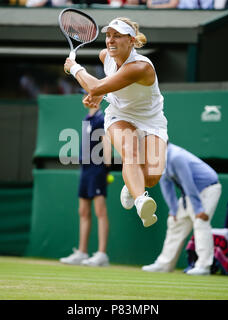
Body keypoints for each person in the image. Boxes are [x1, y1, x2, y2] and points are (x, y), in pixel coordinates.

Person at [64, 17, 168, 228]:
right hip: (119, 115)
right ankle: (141, 202)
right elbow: (104, 87)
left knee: (152, 177)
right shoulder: (105, 56)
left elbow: (96, 86)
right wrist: (100, 95)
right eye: (108, 36)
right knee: (130, 151)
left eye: (117, 36)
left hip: (152, 120)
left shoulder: (140, 67)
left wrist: (75, 68)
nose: (110, 41)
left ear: (131, 40)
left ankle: (132, 186)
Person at [142, 143, 222, 275]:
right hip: (190, 193)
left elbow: (188, 182)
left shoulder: (176, 157)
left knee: (200, 222)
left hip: (208, 189)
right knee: (175, 222)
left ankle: (204, 266)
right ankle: (165, 264)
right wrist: (173, 210)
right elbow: (166, 185)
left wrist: (198, 209)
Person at [60, 103, 111, 267]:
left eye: (88, 93)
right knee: (83, 211)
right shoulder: (87, 118)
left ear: (98, 97)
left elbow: (107, 142)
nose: (85, 97)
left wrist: (106, 166)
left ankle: (102, 254)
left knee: (100, 211)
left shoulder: (102, 118)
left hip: (97, 168)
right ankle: (82, 252)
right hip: (85, 168)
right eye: (84, 94)